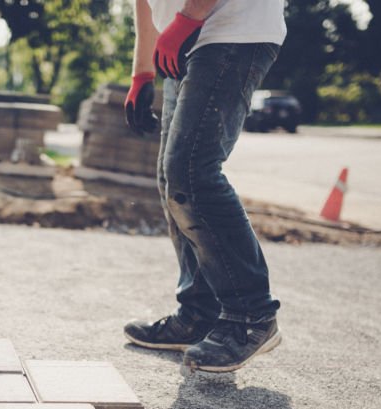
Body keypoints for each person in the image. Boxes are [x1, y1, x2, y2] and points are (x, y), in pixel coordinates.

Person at [122, 0, 286, 372]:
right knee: (172, 179)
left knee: (192, 172)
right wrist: (141, 73)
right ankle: (201, 313)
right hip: (183, 40)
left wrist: (187, 18)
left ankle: (252, 316)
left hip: (232, 29)